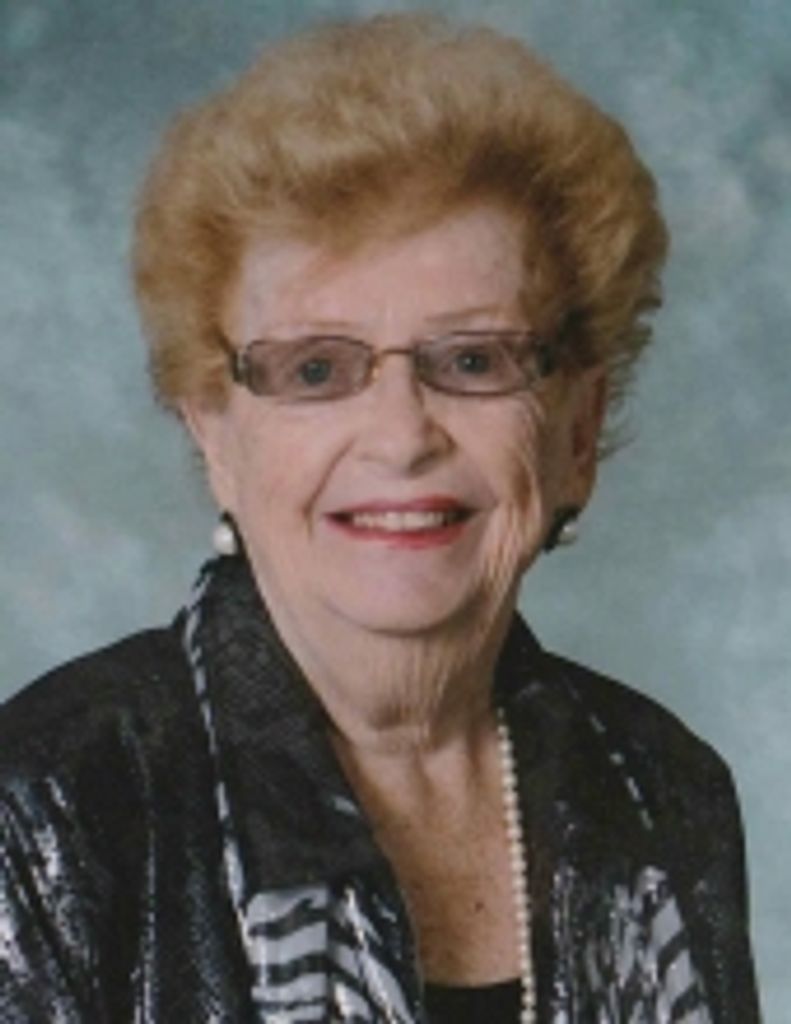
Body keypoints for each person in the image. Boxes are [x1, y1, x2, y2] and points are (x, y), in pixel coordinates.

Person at [0, 13, 760, 1023]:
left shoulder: (659, 787)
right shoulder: (51, 803)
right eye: (316, 369)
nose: (401, 437)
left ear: (574, 431)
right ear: (215, 434)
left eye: (473, 360)